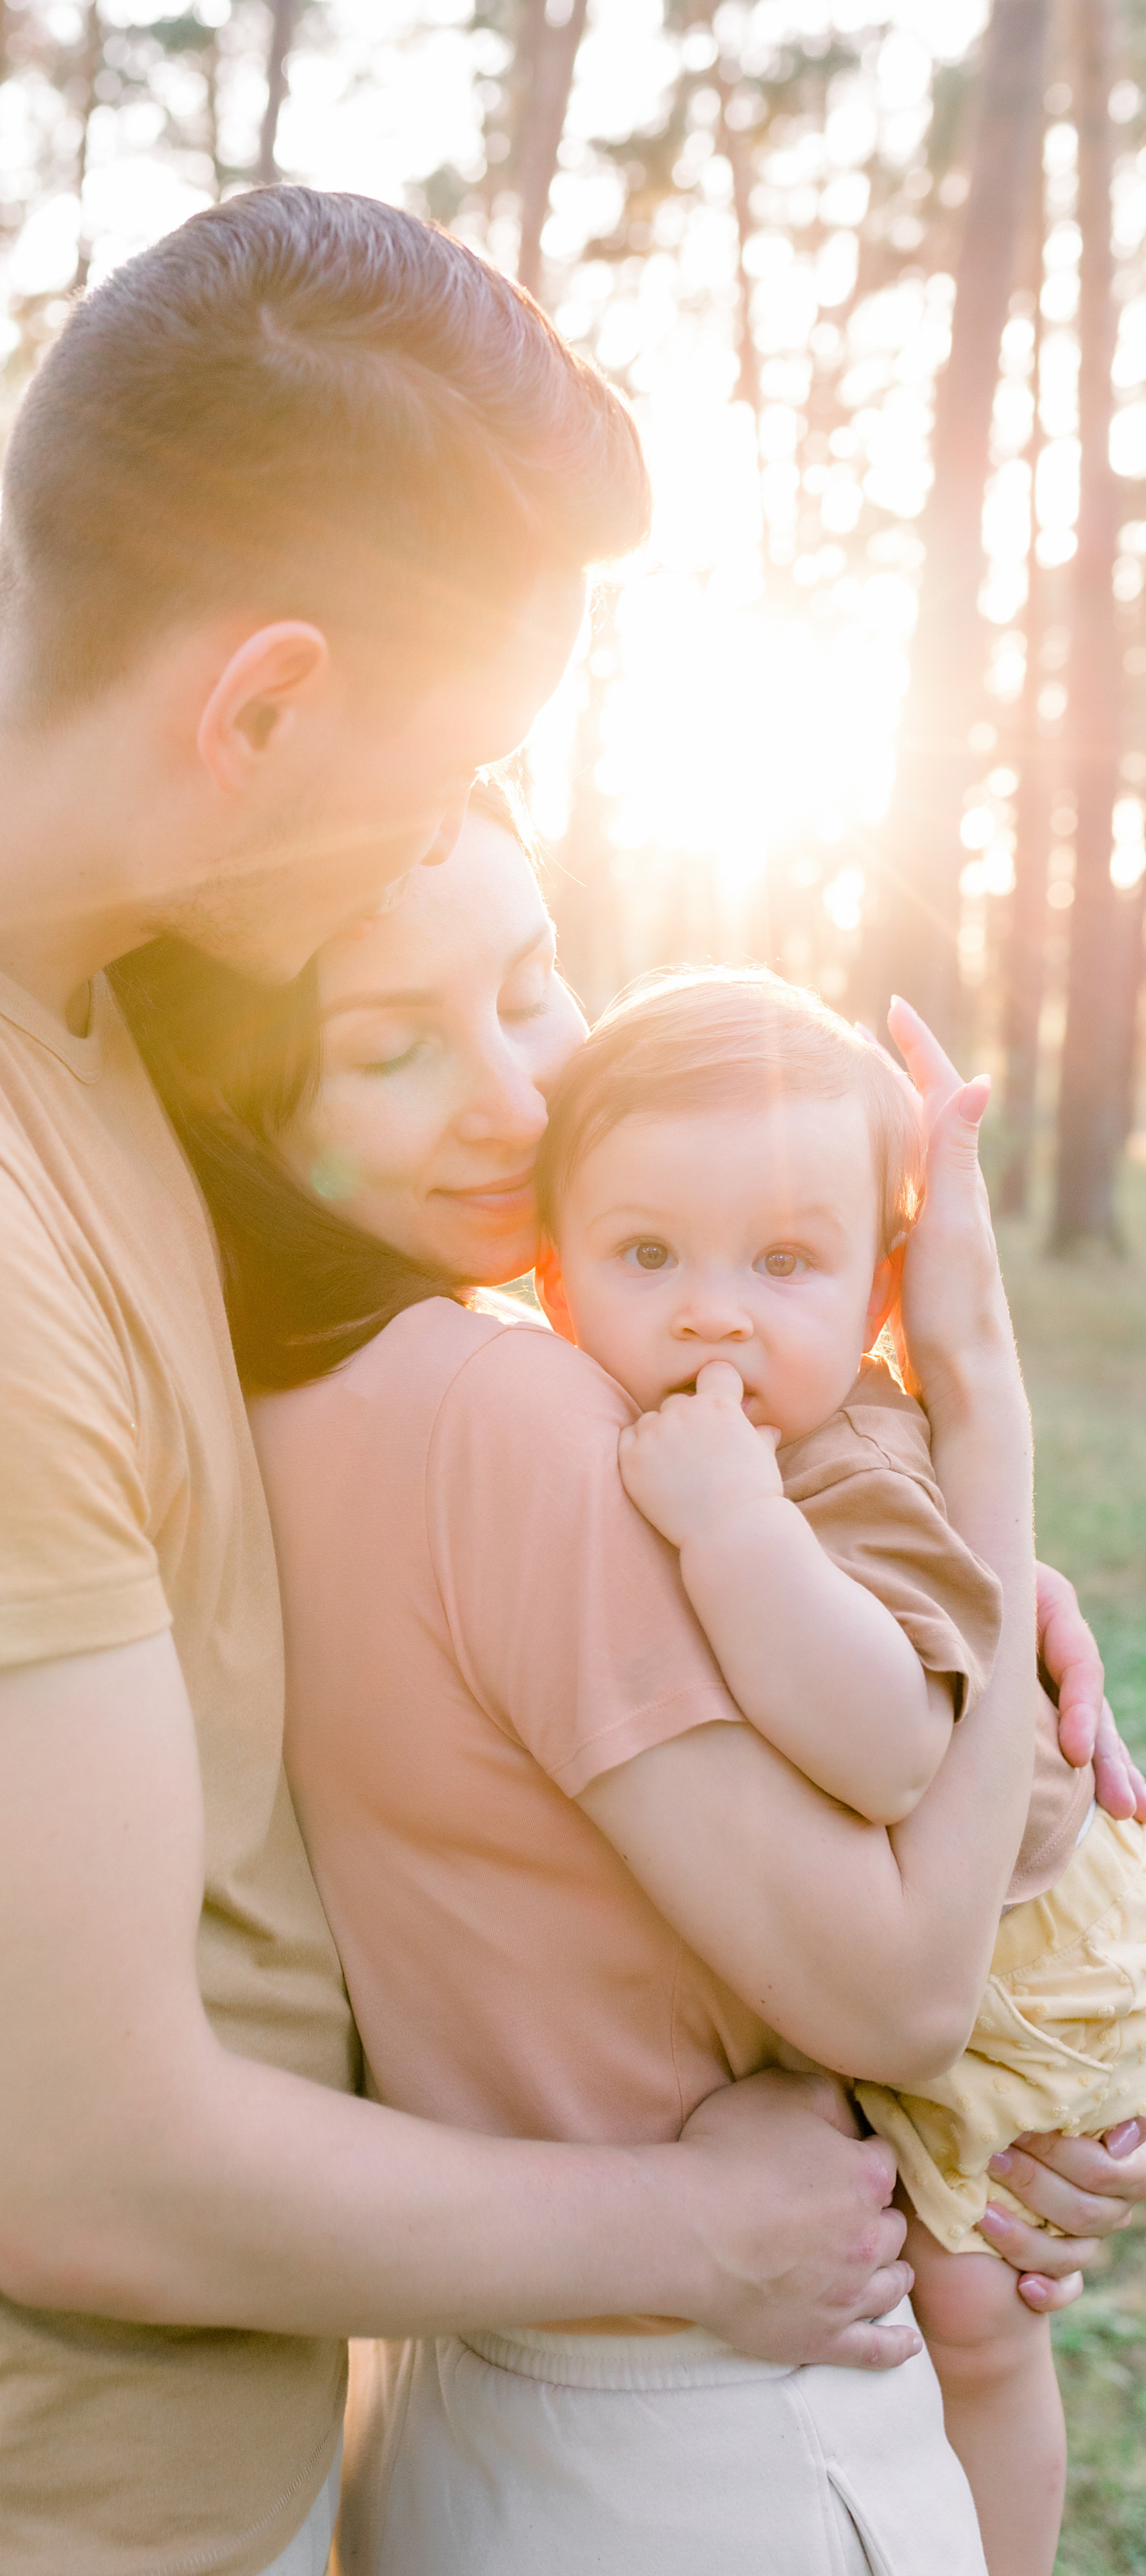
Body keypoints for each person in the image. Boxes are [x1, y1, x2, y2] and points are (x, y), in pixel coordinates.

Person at [0, 189, 960, 2576]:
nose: (453, 840)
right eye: (445, 770)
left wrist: (914, 1552)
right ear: (257, 705)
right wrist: (708, 2240)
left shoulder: (52, 994)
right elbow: (99, 2170)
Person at [118, 788, 1146, 2573]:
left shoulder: (257, 1399)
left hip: (473, 2416)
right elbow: (903, 1993)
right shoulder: (511, 1417)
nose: (520, 1096)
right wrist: (981, 1423)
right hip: (716, 2438)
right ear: (256, 1108)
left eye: (532, 979)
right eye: (393, 1050)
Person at [531, 966, 1146, 2576]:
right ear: (551, 1276)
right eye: (645, 1255)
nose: (711, 1310)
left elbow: (883, 1748)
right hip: (923, 1941)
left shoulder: (850, 1474)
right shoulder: (624, 1423)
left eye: (782, 1264)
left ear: (878, 1299)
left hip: (1022, 1945)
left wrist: (736, 1531)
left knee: (977, 2308)